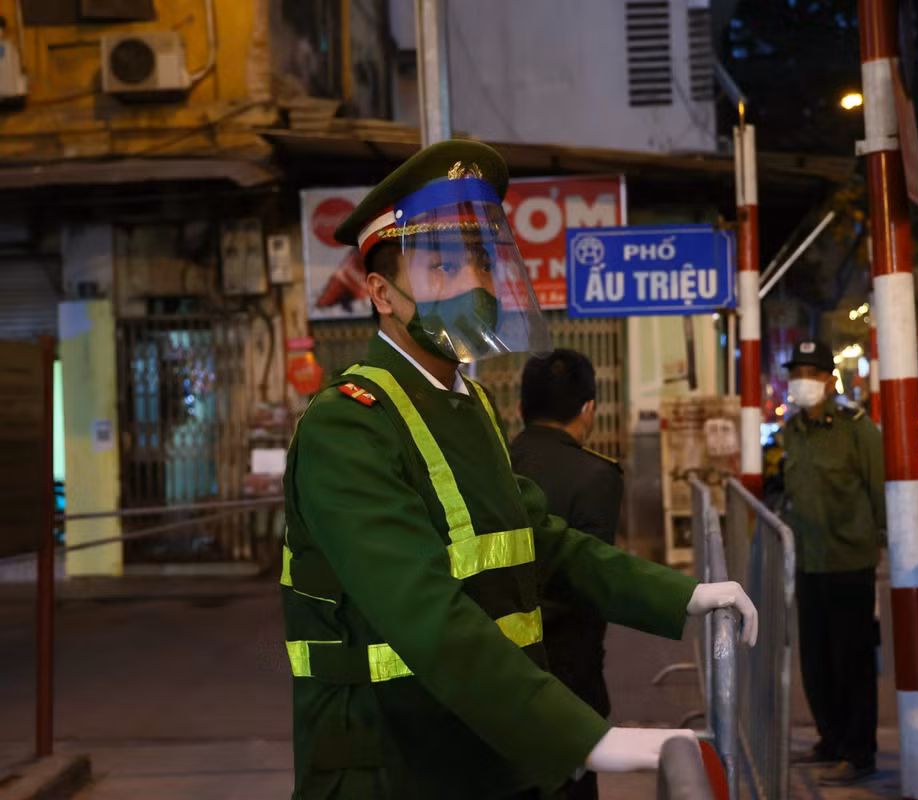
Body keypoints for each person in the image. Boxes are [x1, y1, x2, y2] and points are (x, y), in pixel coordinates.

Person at [279, 139, 758, 800]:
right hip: (389, 761)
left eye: (478, 262)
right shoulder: (348, 423)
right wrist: (580, 735)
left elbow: (543, 539)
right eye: (441, 267)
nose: (471, 284)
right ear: (381, 294)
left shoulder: (466, 403)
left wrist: (683, 596)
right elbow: (421, 610)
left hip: (484, 750)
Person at [510, 348, 621, 800]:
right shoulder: (597, 476)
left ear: (520, 408)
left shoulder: (492, 466)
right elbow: (591, 581)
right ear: (588, 409)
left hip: (497, 674)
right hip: (571, 682)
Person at [780, 339, 885, 786]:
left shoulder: (856, 429)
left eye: (810, 372)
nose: (801, 381)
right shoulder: (791, 431)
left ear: (828, 379)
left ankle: (858, 753)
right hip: (808, 562)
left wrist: (888, 545)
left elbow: (880, 493)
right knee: (816, 661)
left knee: (853, 663)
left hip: (849, 561)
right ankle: (829, 739)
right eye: (796, 372)